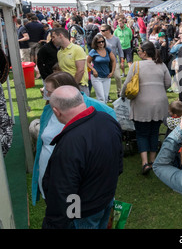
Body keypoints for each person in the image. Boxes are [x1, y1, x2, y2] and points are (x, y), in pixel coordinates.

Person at [41, 85, 122, 229]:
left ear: (56, 112)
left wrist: (54, 223)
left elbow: (63, 189)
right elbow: (118, 162)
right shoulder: (107, 120)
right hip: (106, 198)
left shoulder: (70, 142)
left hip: (84, 210)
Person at [31, 71, 116, 207]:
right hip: (53, 181)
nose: (45, 94)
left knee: (73, 217)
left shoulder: (98, 110)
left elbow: (111, 143)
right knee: (59, 213)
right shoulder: (49, 109)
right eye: (44, 90)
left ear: (65, 90)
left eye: (49, 92)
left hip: (77, 187)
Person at [120, 41, 171, 175]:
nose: (139, 53)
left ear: (145, 52)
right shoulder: (161, 65)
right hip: (160, 103)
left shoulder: (136, 66)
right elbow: (168, 83)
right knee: (154, 132)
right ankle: (153, 160)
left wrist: (122, 95)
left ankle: (144, 163)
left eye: (140, 51)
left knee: (141, 133)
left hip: (141, 103)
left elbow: (126, 84)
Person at [51, 28, 90, 96]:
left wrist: (73, 86)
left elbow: (80, 71)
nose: (52, 39)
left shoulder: (77, 49)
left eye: (53, 37)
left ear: (60, 35)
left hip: (79, 86)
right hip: (66, 87)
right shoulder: (59, 52)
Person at [87, 34, 116, 104]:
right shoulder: (93, 51)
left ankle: (104, 112)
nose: (101, 43)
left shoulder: (108, 50)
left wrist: (112, 72)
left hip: (106, 76)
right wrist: (93, 70)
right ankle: (102, 112)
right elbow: (87, 62)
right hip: (97, 77)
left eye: (102, 41)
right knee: (101, 97)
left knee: (105, 97)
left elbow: (114, 60)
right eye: (99, 42)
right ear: (95, 43)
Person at [102, 24, 124, 99]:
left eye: (103, 31)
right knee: (106, 79)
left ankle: (119, 92)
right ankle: (106, 95)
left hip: (114, 61)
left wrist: (122, 60)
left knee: (118, 76)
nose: (101, 32)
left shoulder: (116, 39)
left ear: (108, 31)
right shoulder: (101, 39)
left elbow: (120, 50)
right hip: (104, 62)